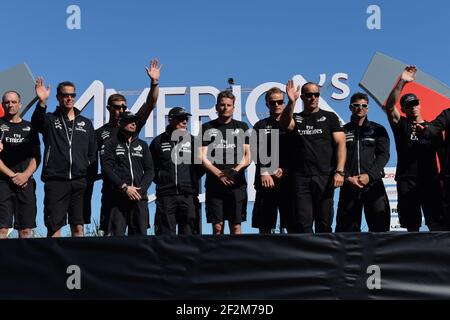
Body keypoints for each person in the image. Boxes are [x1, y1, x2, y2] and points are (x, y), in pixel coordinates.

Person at [94, 58, 161, 235]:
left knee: (139, 241)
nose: (121, 110)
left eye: (124, 107)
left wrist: (154, 83)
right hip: (112, 194)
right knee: (114, 241)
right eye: (117, 107)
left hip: (137, 194)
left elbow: (150, 104)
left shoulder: (133, 126)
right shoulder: (100, 133)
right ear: (109, 108)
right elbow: (94, 162)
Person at [32, 79, 97, 237]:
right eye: (65, 95)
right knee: (54, 227)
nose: (69, 98)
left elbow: (92, 153)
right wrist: (42, 102)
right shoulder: (50, 119)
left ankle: (79, 261)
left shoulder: (86, 123)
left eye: (72, 95)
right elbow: (36, 123)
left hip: (79, 182)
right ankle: (54, 262)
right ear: (58, 97)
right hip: (56, 180)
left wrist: (88, 176)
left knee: (78, 227)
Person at [279, 80, 346, 233]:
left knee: (324, 223)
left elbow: (341, 144)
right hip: (301, 178)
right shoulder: (296, 117)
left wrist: (340, 171)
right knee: (303, 224)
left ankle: (326, 256)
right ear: (302, 97)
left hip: (325, 176)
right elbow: (284, 124)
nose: (313, 98)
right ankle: (307, 257)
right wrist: (291, 102)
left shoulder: (330, 117)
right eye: (309, 95)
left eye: (316, 94)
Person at [384, 66, 445, 231]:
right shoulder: (401, 124)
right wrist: (402, 82)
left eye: (415, 103)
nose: (413, 107)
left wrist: (442, 178)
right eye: (408, 105)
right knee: (411, 225)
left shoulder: (433, 129)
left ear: (420, 104)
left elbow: (442, 155)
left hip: (430, 180)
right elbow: (389, 107)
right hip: (407, 180)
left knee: (437, 223)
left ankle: (439, 256)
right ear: (403, 109)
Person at [335, 93, 390, 232]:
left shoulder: (378, 130)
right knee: (346, 231)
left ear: (367, 108)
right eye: (356, 105)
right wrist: (347, 177)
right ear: (350, 107)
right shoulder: (342, 130)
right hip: (349, 185)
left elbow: (383, 156)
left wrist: (369, 176)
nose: (360, 108)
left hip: (373, 184)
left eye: (364, 105)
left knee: (380, 229)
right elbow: (335, 157)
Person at [200, 90, 251, 235]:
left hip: (237, 184)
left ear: (233, 108)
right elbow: (202, 157)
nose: (225, 107)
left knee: (236, 227)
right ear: (216, 107)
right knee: (217, 227)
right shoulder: (207, 127)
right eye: (222, 105)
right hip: (214, 185)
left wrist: (235, 171)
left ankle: (237, 257)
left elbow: (248, 156)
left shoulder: (242, 127)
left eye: (229, 105)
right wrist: (220, 174)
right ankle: (218, 257)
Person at [100, 111, 154, 236]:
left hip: (139, 198)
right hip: (118, 199)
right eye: (129, 120)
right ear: (120, 123)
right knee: (116, 240)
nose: (133, 123)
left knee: (140, 241)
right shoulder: (110, 144)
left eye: (135, 121)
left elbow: (150, 170)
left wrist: (139, 190)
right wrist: (124, 188)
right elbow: (107, 169)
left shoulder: (143, 145)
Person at [150, 107, 201, 235]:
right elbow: (151, 168)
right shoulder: (158, 142)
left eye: (186, 119)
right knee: (165, 238)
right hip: (166, 196)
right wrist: (163, 179)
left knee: (190, 238)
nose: (185, 121)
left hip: (188, 195)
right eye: (181, 118)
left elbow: (201, 167)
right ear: (170, 120)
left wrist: (191, 179)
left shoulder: (194, 141)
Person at [251, 87, 295, 234]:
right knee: (264, 226)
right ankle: (264, 256)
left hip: (288, 181)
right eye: (272, 103)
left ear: (284, 103)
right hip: (266, 181)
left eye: (280, 102)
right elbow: (255, 151)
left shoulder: (293, 124)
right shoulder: (260, 125)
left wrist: (285, 170)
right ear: (267, 105)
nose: (276, 105)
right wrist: (266, 171)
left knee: (292, 224)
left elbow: (298, 152)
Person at [0, 91, 40, 238]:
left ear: (20, 104)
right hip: (3, 183)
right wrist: (12, 176)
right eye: (7, 102)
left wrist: (25, 175)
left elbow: (36, 157)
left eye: (14, 102)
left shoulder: (30, 127)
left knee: (25, 230)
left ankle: (23, 261)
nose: (10, 105)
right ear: (3, 105)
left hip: (25, 183)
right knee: (2, 229)